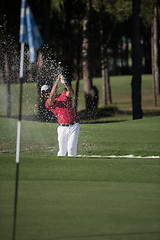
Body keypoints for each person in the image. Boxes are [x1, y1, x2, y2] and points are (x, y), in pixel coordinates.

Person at [41, 74, 79, 157]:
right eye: (44, 93)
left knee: (71, 150)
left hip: (74, 126)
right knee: (62, 151)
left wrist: (65, 83)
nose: (46, 93)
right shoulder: (48, 103)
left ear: (50, 90)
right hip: (62, 128)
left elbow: (71, 92)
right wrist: (57, 81)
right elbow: (51, 97)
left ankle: (72, 168)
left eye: (47, 91)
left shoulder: (63, 95)